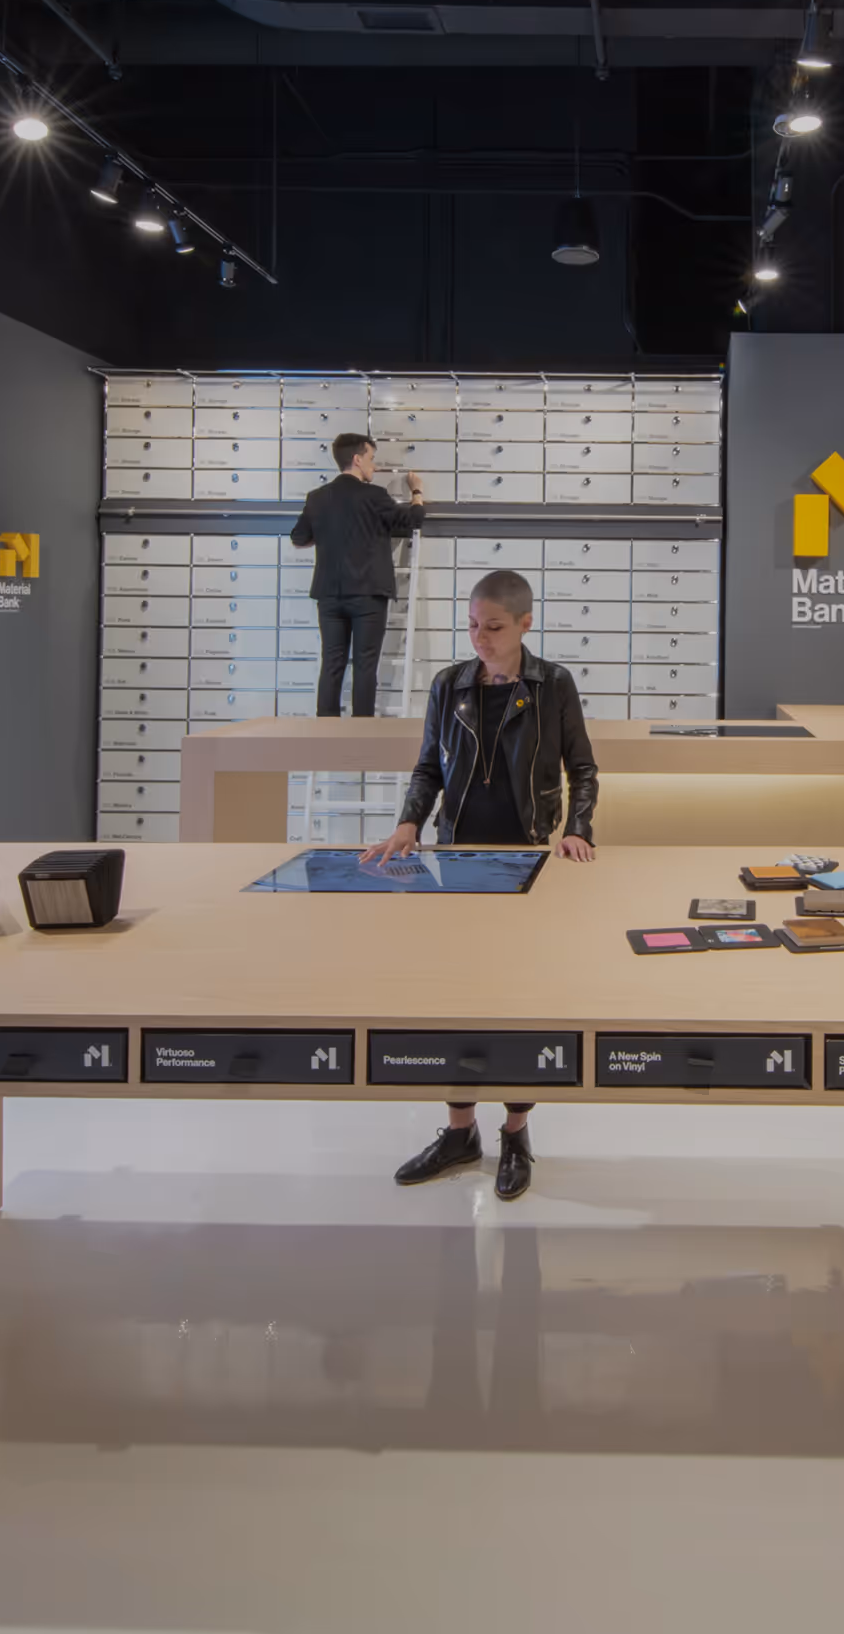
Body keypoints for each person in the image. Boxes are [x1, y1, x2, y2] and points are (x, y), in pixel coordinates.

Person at [362, 568, 599, 1200]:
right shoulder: (449, 685)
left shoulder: (554, 685)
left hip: (526, 862)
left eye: (492, 627)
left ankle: (515, 1133)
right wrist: (409, 822)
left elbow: (583, 767)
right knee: (454, 1003)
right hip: (456, 863)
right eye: (472, 625)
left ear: (524, 623)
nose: (479, 638)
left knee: (519, 1003)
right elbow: (426, 767)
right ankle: (460, 1130)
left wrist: (578, 828)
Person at [290, 433, 427, 717]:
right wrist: (416, 491)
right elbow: (413, 520)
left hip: (329, 595)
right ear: (357, 459)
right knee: (365, 665)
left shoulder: (317, 498)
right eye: (371, 459)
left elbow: (298, 538)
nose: (374, 466)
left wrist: (327, 534)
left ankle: (325, 733)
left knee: (331, 663)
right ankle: (360, 734)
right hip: (368, 594)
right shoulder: (374, 496)